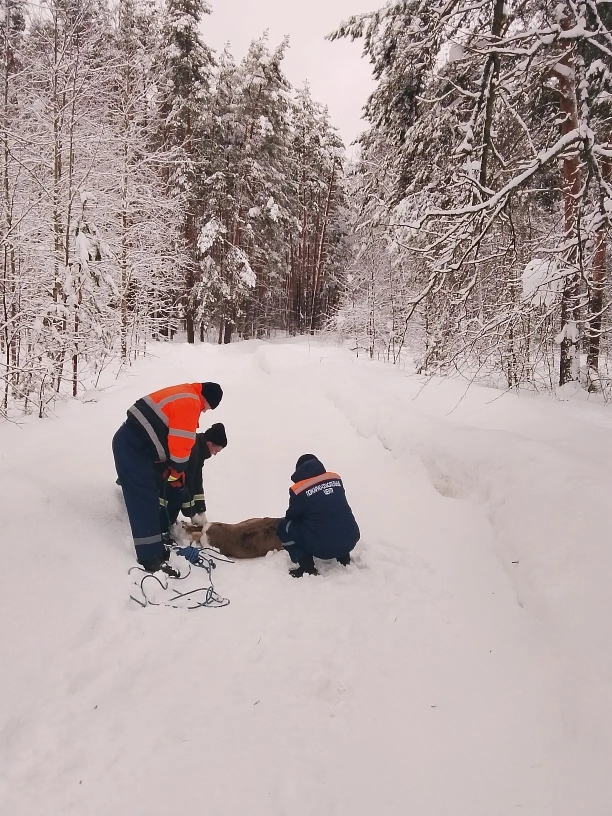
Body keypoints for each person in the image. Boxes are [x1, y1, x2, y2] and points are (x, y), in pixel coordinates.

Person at [112, 381, 223, 577]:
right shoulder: (189, 402)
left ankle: (156, 547)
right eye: (207, 408)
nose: (204, 412)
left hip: (141, 447)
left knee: (156, 492)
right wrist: (177, 469)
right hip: (133, 446)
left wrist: (172, 472)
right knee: (144, 498)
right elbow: (181, 443)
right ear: (206, 400)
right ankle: (150, 558)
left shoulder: (186, 395)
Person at [276, 454, 360, 578]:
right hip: (351, 539)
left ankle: (306, 567)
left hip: (323, 548)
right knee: (335, 515)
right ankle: (343, 556)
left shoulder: (299, 490)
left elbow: (292, 516)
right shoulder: (335, 480)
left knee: (284, 526)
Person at [160, 422, 228, 537]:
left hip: (168, 481)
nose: (215, 454)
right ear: (210, 444)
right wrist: (191, 513)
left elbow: (197, 482)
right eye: (216, 450)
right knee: (176, 496)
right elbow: (187, 482)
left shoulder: (199, 451)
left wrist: (201, 510)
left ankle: (165, 526)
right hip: (162, 480)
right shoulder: (193, 450)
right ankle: (162, 530)